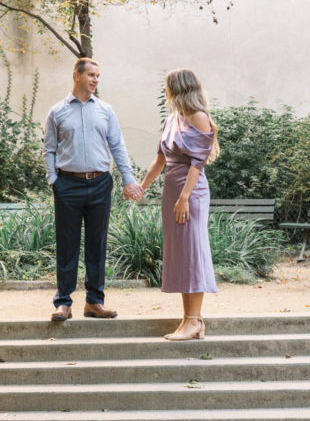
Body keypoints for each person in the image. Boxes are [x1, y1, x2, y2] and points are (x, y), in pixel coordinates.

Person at [43, 57, 143, 322]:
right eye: (91, 75)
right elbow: (49, 149)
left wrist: (128, 179)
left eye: (98, 76)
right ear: (76, 75)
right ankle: (63, 303)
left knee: (97, 244)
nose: (96, 80)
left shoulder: (106, 110)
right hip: (68, 185)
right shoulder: (57, 111)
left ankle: (94, 302)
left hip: (100, 183)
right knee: (67, 244)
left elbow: (117, 146)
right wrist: (54, 180)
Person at [137, 67, 219, 340]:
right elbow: (159, 160)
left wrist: (184, 197)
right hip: (172, 191)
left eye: (167, 85)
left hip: (190, 193)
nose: (164, 90)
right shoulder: (172, 118)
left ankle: (193, 321)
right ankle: (191, 321)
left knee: (192, 252)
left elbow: (198, 163)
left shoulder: (199, 117)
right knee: (182, 255)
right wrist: (142, 187)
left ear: (179, 87)